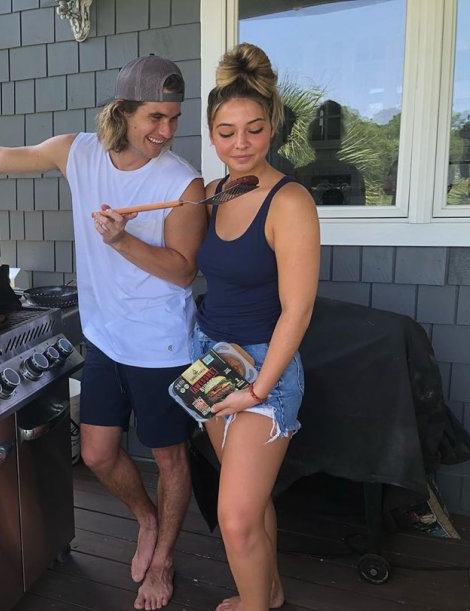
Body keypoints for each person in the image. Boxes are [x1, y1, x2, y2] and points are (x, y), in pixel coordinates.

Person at [0, 54, 206, 610]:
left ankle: (164, 557)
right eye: (155, 117)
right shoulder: (77, 153)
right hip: (104, 337)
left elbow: (182, 271)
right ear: (123, 111)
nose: (166, 131)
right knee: (99, 453)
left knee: (170, 458)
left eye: (174, 118)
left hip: (161, 343)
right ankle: (147, 519)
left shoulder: (183, 182)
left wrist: (122, 241)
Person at [195, 43, 320, 611]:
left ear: (272, 128)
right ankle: (267, 593)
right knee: (252, 498)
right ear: (212, 134)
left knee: (236, 517)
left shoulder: (289, 201)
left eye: (254, 129)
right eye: (226, 132)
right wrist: (121, 234)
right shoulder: (212, 194)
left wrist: (257, 390)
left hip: (264, 369)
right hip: (211, 359)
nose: (240, 144)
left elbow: (297, 310)